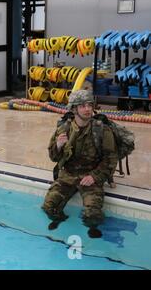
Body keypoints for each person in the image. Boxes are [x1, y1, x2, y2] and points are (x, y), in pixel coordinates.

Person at [42, 90, 118, 239]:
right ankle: (61, 222)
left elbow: (111, 159)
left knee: (93, 214)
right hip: (68, 175)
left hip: (90, 175)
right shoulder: (63, 129)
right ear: (74, 109)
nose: (88, 109)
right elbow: (53, 157)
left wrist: (95, 176)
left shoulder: (102, 130)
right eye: (82, 106)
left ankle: (93, 235)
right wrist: (58, 146)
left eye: (90, 105)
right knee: (49, 207)